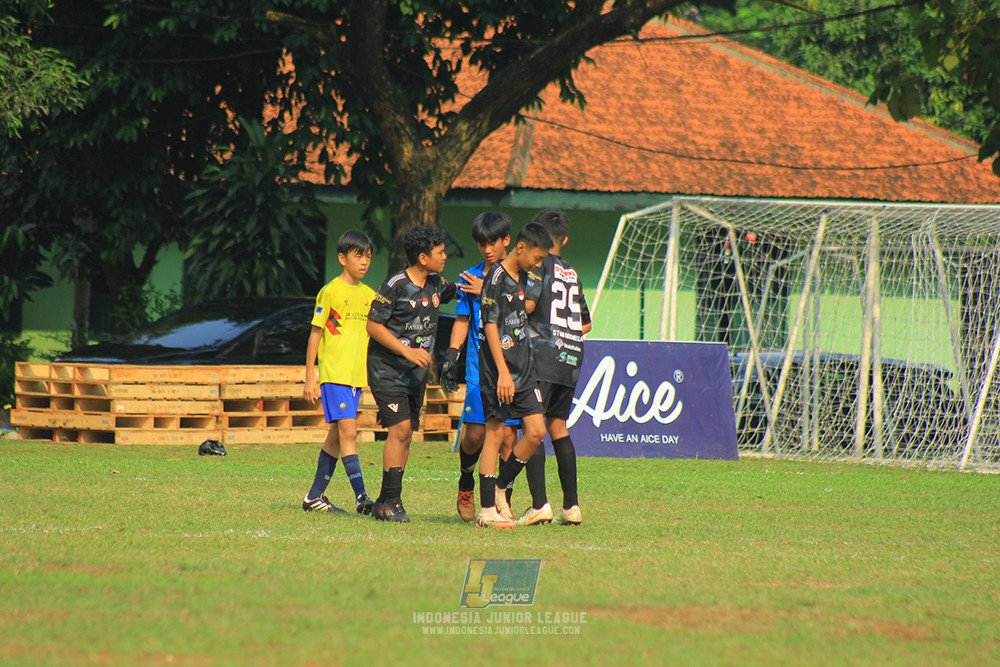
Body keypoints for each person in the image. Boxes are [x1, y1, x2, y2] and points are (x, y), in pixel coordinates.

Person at [366, 225, 457, 522]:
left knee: (406, 436)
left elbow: (456, 290)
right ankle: (391, 501)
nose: (445, 256)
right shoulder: (394, 286)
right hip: (387, 369)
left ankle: (385, 501)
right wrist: (407, 352)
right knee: (400, 431)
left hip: (414, 376)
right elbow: (373, 326)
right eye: (440, 252)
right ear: (422, 257)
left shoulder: (435, 283)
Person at [516, 210, 593, 526]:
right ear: (565, 239)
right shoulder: (573, 272)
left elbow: (530, 305)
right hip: (572, 355)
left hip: (544, 355)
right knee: (558, 426)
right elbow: (586, 324)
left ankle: (538, 505)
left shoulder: (539, 265)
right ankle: (571, 506)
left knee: (532, 427)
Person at [439, 212, 517, 523]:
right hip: (477, 366)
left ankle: (502, 499)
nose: (487, 249)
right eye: (481, 244)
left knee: (509, 438)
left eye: (493, 243)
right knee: (474, 434)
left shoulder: (516, 275)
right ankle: (466, 481)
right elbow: (462, 319)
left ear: (506, 241)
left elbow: (523, 306)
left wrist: (486, 290)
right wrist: (451, 356)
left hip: (512, 366)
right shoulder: (469, 276)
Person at [476, 222, 553, 528]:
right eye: (536, 258)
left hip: (525, 369)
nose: (538, 264)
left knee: (536, 431)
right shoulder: (495, 277)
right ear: (521, 248)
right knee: (494, 433)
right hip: (500, 372)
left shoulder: (524, 277)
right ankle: (486, 512)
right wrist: (503, 373)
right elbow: (491, 326)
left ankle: (499, 488)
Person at [302, 230, 377, 514]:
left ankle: (314, 497)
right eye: (358, 256)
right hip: (335, 376)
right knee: (349, 432)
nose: (364, 262)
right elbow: (315, 336)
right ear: (342, 258)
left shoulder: (369, 295)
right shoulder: (330, 291)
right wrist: (311, 377)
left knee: (336, 436)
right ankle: (361, 497)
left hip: (357, 378)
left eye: (368, 256)